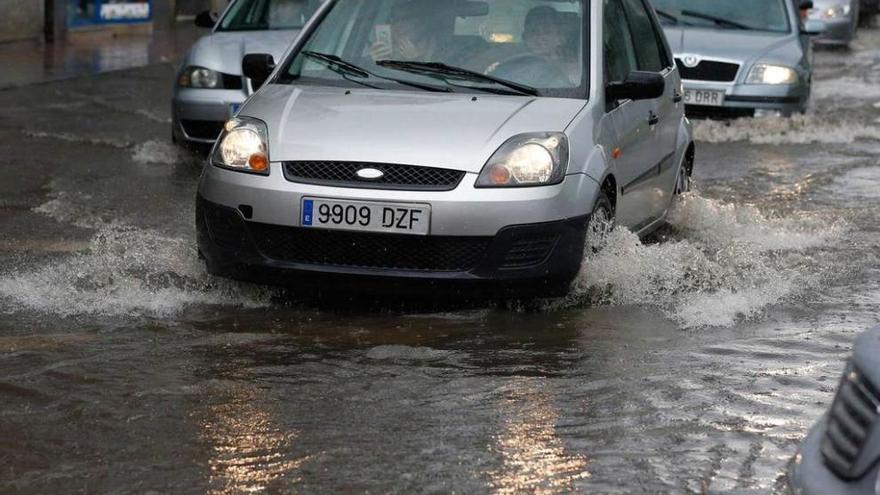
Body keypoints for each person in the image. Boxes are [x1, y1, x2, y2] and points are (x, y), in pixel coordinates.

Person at [370, 0, 449, 62]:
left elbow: (432, 79)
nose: (398, 24)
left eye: (404, 19)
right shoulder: (388, 49)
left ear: (419, 22)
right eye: (395, 19)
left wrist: (415, 59)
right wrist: (376, 61)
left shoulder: (441, 49)